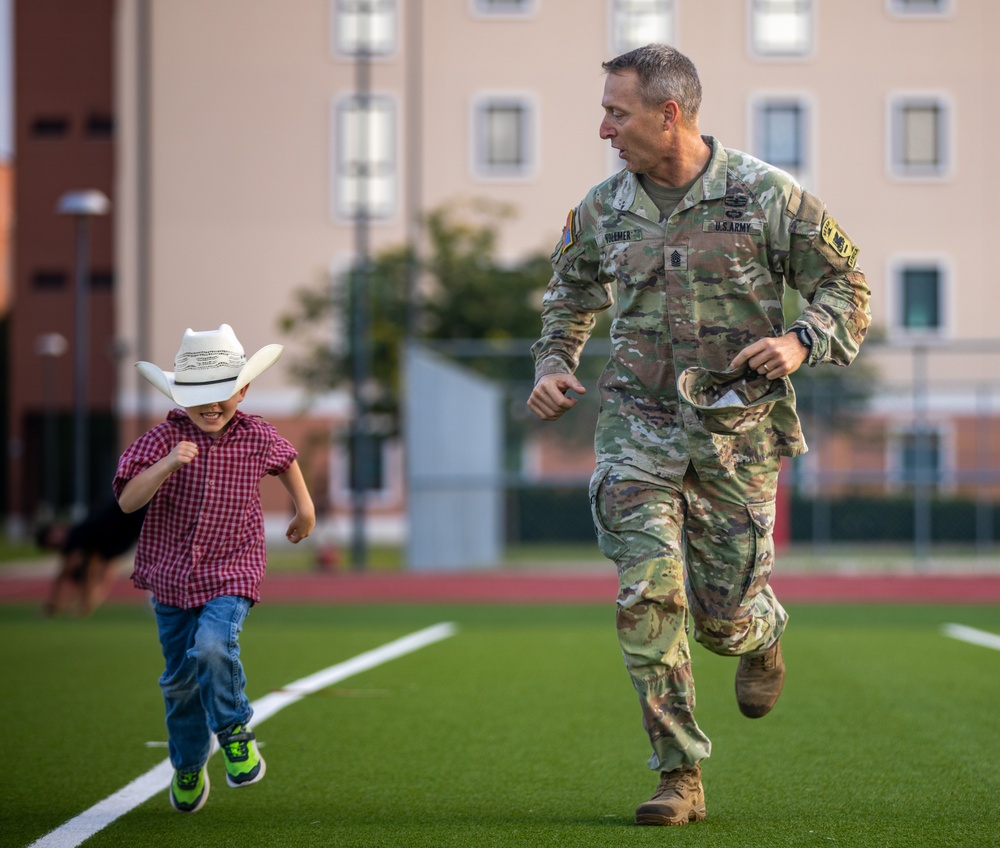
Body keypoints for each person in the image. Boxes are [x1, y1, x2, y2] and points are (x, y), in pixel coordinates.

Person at [527, 44, 870, 826]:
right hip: (636, 430)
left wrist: (801, 342)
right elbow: (569, 293)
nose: (604, 127)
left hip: (735, 434)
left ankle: (762, 631)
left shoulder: (764, 195)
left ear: (668, 113)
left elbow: (846, 285)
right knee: (649, 594)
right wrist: (553, 362)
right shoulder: (603, 207)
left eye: (617, 112)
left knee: (720, 618)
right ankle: (678, 773)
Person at [114, 323, 316, 814]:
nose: (211, 405)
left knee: (211, 646)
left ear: (242, 390)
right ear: (178, 395)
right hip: (170, 576)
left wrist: (304, 509)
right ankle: (187, 763)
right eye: (197, 395)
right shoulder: (161, 438)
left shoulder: (257, 434)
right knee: (180, 682)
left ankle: (233, 732)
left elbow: (287, 460)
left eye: (223, 394)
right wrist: (166, 466)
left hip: (233, 568)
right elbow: (126, 501)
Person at [36, 499, 148, 616]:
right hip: (128, 522)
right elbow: (99, 574)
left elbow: (65, 573)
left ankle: (78, 605)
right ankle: (83, 605)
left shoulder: (75, 536)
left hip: (131, 515)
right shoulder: (92, 546)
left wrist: (53, 602)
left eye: (53, 535)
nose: (56, 537)